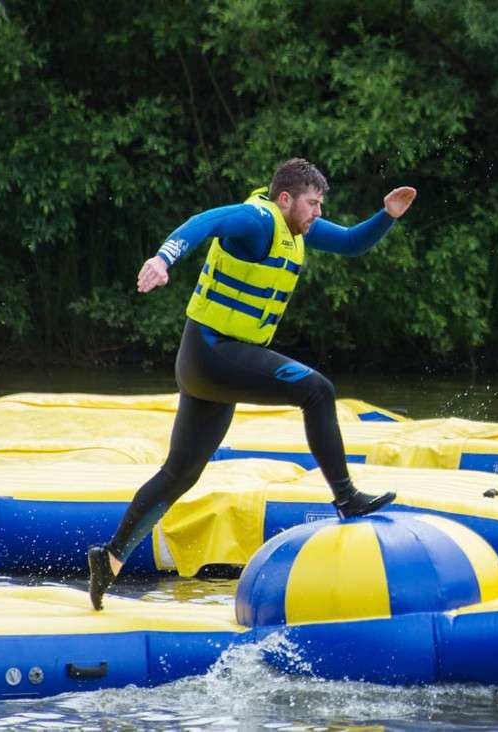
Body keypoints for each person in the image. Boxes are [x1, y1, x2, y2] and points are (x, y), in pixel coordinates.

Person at [87, 158, 417, 610]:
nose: (318, 213)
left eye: (321, 205)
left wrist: (388, 216)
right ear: (286, 199)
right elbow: (204, 222)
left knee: (180, 474)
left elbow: (352, 243)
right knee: (316, 389)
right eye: (313, 204)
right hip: (212, 354)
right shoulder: (257, 220)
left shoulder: (298, 228)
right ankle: (347, 498)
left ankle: (110, 559)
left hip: (211, 365)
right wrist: (163, 259)